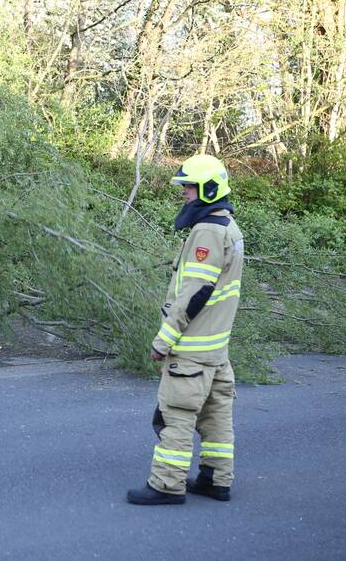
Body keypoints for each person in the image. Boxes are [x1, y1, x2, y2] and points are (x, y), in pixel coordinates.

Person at [126, 154, 244, 505]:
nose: (184, 193)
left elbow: (195, 294)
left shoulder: (207, 231)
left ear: (209, 189)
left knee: (175, 417)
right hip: (216, 350)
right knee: (216, 415)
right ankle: (215, 479)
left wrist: (162, 341)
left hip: (191, 349)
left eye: (189, 187)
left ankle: (166, 485)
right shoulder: (229, 227)